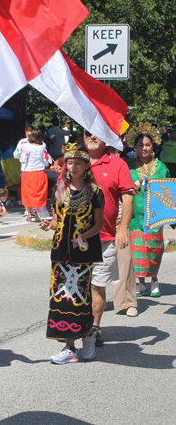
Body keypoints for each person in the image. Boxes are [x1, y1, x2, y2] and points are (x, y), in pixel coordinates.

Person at [39, 144, 104, 363]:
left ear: (87, 166)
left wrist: (83, 237)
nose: (73, 167)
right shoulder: (59, 190)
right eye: (69, 162)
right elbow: (58, 221)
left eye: (78, 163)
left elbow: (98, 225)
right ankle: (69, 347)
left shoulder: (95, 191)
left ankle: (87, 338)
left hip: (82, 254)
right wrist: (50, 225)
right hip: (59, 253)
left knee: (80, 297)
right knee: (61, 297)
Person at [84, 129, 136, 349]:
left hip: (105, 237)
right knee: (76, 287)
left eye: (97, 132)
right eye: (88, 132)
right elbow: (60, 194)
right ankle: (76, 326)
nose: (92, 137)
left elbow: (128, 196)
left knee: (97, 286)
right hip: (76, 240)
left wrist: (123, 227)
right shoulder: (73, 162)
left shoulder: (118, 164)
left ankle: (94, 328)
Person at [127, 131, 169, 297]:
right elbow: (125, 189)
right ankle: (141, 283)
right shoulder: (128, 166)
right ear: (135, 147)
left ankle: (155, 280)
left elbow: (168, 194)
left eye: (147, 144)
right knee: (137, 251)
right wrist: (137, 183)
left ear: (153, 146)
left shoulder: (162, 167)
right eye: (140, 145)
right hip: (135, 215)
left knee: (154, 250)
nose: (144, 148)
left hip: (155, 216)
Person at [20, 129, 52, 222]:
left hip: (28, 173)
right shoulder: (43, 146)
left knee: (27, 194)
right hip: (40, 172)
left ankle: (29, 214)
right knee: (39, 194)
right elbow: (46, 160)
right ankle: (38, 213)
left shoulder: (27, 147)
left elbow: (22, 159)